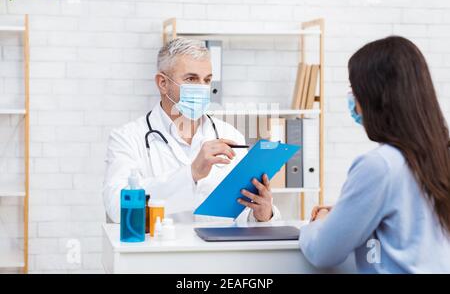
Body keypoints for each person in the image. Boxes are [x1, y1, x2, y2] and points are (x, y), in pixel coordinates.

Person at [299, 36, 450, 273]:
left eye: (354, 90)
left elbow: (323, 251)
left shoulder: (379, 166)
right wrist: (345, 212)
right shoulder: (440, 156)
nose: (353, 100)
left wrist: (319, 224)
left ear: (374, 96)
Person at [103, 38, 280, 224]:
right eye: (191, 79)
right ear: (163, 83)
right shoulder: (127, 138)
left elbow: (239, 212)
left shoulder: (229, 134)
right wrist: (191, 173)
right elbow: (117, 208)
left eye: (207, 80)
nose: (202, 88)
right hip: (161, 252)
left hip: (220, 252)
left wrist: (261, 214)